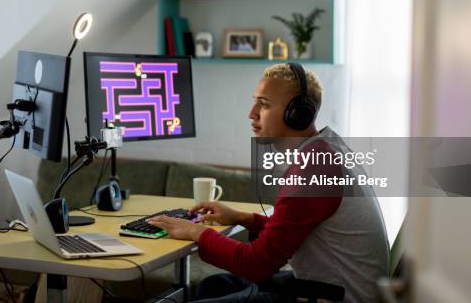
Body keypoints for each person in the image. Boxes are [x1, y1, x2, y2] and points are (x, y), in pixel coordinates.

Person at [148, 63, 390, 302]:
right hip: (324, 288)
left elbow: (255, 265)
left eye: (264, 104)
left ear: (297, 114)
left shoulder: (313, 166)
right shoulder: (326, 149)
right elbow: (294, 227)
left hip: (331, 297)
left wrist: (195, 231)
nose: (251, 113)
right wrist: (243, 218)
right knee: (216, 284)